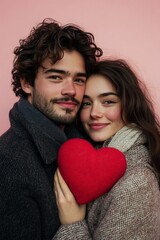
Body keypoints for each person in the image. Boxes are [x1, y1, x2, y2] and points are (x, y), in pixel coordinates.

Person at [0, 18, 102, 240]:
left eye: (79, 79)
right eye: (56, 77)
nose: (70, 91)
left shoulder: (89, 137)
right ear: (27, 82)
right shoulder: (7, 163)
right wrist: (73, 228)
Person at [53, 59, 160, 239]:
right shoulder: (86, 156)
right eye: (86, 103)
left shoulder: (136, 183)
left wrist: (72, 225)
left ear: (130, 105)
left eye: (108, 101)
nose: (94, 112)